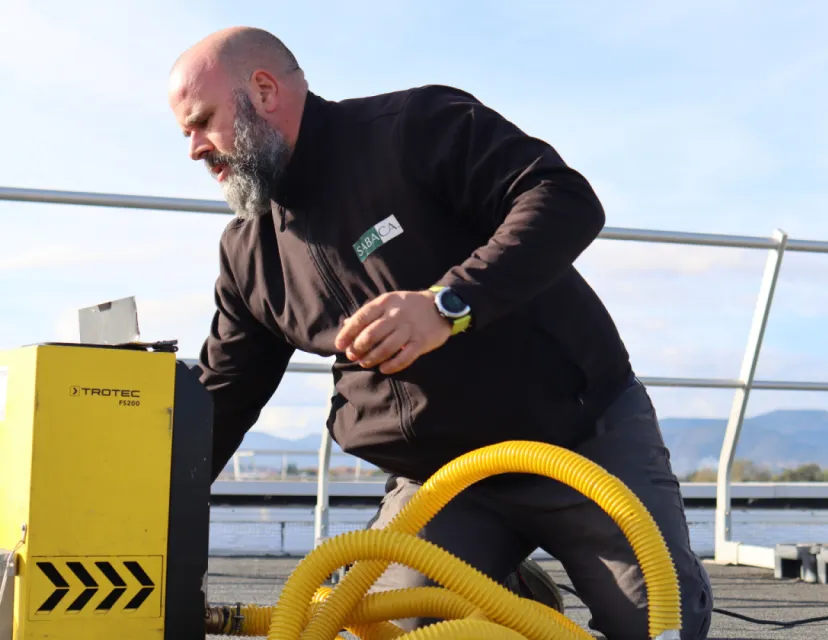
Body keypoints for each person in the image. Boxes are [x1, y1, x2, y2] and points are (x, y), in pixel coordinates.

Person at [168, 26, 714, 639]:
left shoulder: (413, 128)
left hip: (580, 439)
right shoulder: (250, 255)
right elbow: (222, 397)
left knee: (659, 625)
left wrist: (446, 305)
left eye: (201, 121)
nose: (192, 149)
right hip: (441, 484)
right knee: (384, 629)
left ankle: (522, 592)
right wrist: (134, 507)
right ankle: (507, 595)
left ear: (263, 90)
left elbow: (563, 199)